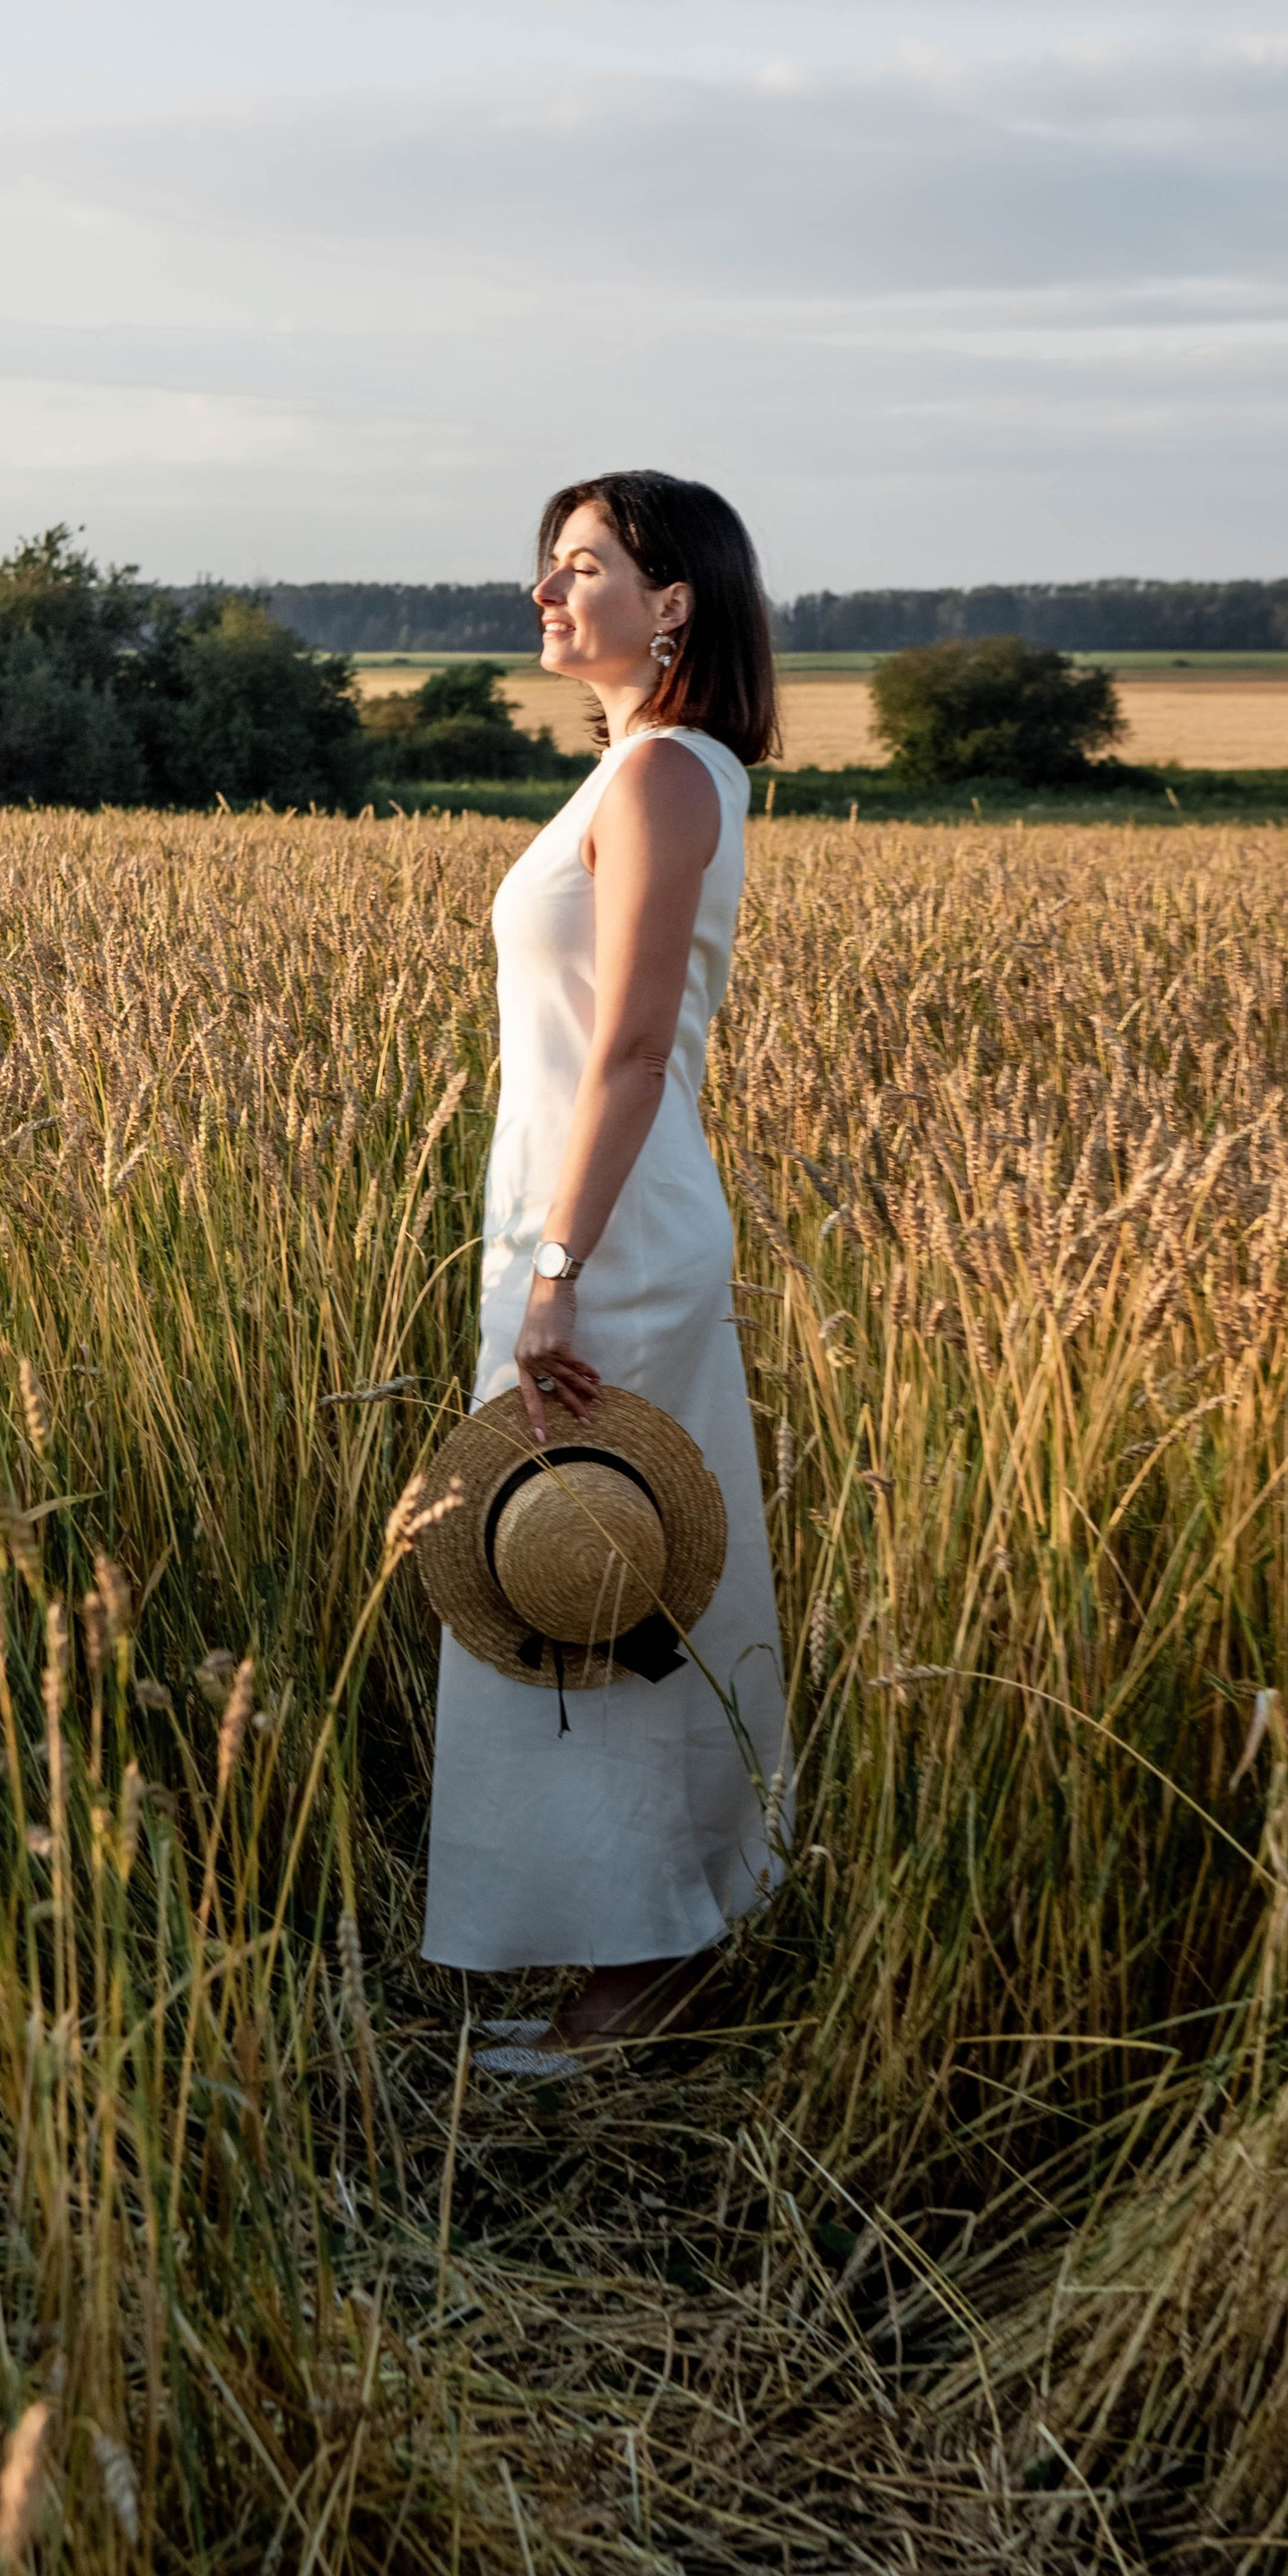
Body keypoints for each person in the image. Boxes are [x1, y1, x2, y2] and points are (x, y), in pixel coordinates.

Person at [422, 469, 792, 2065]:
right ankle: (639, 1953)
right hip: (586, 1219)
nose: (547, 594)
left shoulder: (657, 781)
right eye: (548, 566)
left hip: (609, 1232)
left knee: (605, 1576)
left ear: (676, 600)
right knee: (583, 1579)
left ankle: (637, 1986)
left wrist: (560, 1265)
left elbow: (632, 1048)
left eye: (584, 567)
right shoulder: (650, 770)